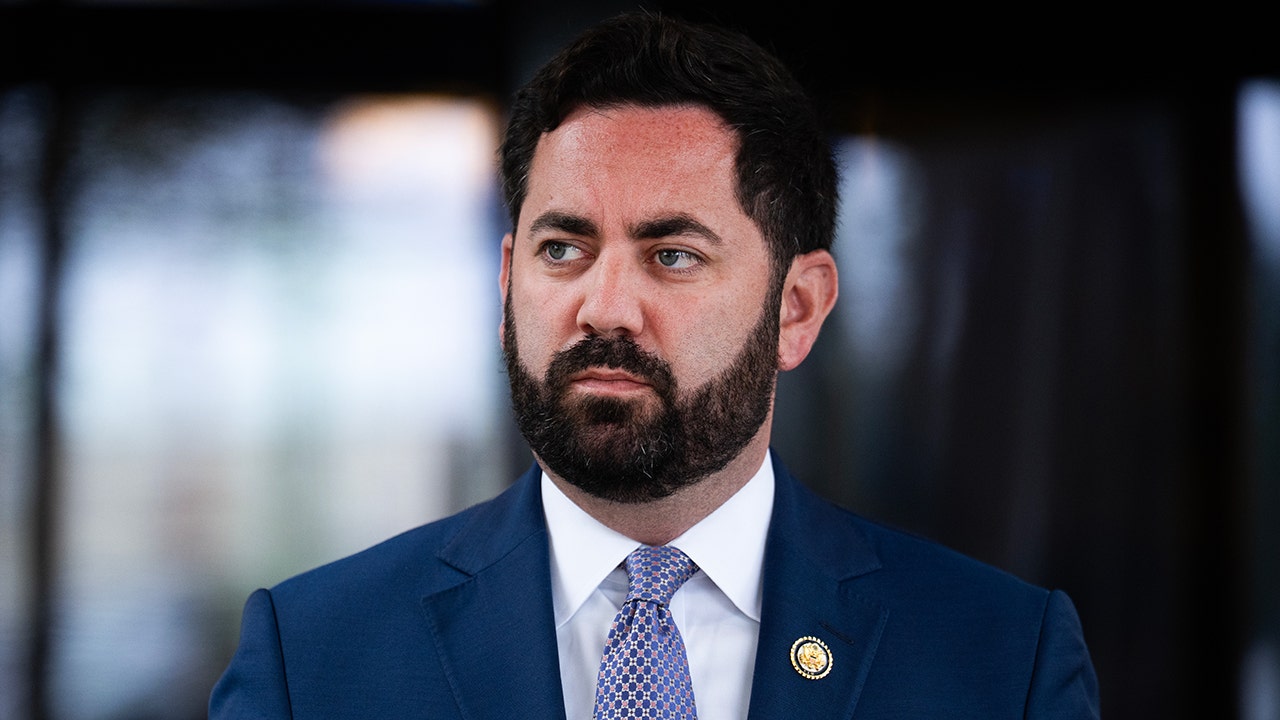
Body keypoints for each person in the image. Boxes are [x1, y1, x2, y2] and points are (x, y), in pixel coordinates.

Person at [210, 10, 1100, 719]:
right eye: (563, 250)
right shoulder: (313, 659)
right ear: (508, 280)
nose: (603, 307)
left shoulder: (999, 660)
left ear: (796, 309)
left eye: (672, 255)